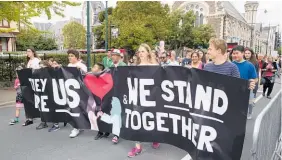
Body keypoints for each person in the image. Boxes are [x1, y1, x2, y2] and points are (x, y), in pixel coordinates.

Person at [128, 43, 160, 158]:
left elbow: (159, 81)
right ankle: (138, 147)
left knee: (152, 119)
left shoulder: (154, 65)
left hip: (152, 98)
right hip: (138, 98)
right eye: (139, 51)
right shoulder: (135, 67)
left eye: (143, 51)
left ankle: (155, 138)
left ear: (148, 52)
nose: (140, 53)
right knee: (137, 121)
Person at [232, 45, 258, 119]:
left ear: (242, 53)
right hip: (235, 89)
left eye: (237, 53)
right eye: (234, 53)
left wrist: (253, 81)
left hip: (247, 89)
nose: (235, 55)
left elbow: (255, 79)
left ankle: (250, 112)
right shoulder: (231, 64)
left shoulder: (250, 65)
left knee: (249, 103)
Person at [67, 49, 87, 138]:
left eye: (72, 56)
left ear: (76, 57)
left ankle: (78, 126)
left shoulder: (81, 65)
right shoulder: (69, 65)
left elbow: (85, 75)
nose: (70, 57)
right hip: (71, 91)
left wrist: (80, 70)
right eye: (69, 56)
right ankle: (77, 126)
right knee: (73, 108)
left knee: (79, 108)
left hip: (79, 91)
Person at [23, 48, 41, 127]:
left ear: (33, 52)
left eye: (29, 51)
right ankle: (30, 118)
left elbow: (40, 70)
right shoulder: (29, 61)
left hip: (36, 82)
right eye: (27, 51)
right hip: (29, 82)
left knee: (38, 99)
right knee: (29, 99)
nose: (28, 53)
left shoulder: (37, 60)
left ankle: (42, 115)